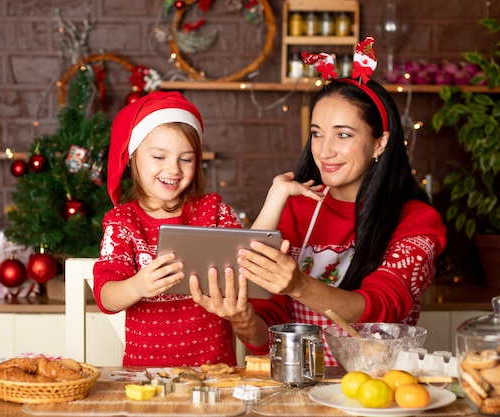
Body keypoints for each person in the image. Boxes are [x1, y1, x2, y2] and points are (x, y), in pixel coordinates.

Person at [190, 39, 447, 367]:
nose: (324, 151)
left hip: (377, 391)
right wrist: (243, 319)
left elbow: (382, 309)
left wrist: (299, 284)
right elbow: (267, 334)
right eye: (316, 133)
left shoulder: (416, 220)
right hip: (300, 387)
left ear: (380, 142)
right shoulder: (296, 209)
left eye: (343, 135)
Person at [92, 91, 243, 367]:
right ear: (133, 157)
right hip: (146, 377)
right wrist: (137, 285)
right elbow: (106, 296)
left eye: (186, 159)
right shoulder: (123, 222)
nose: (173, 169)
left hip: (215, 373)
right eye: (159, 157)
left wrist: (277, 196)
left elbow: (248, 254)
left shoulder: (214, 210)